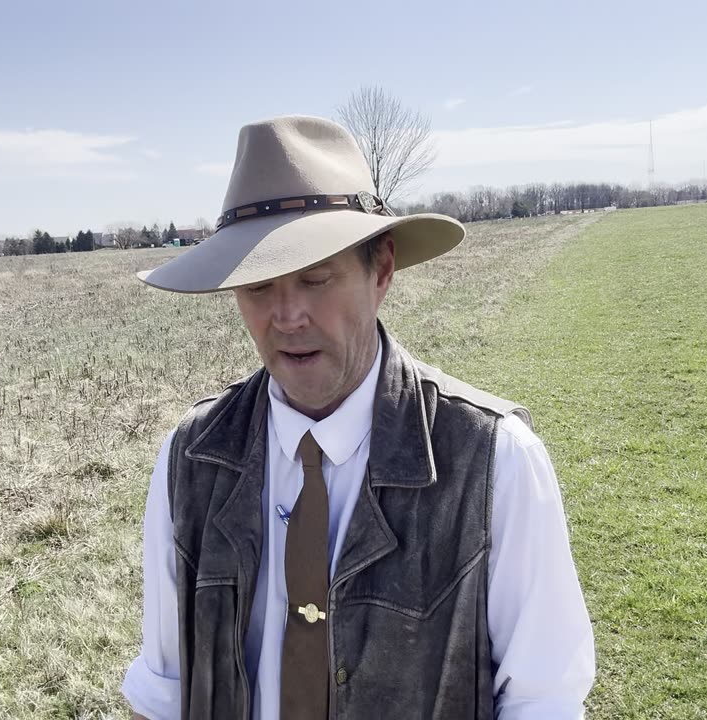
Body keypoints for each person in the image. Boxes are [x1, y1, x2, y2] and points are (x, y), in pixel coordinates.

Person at [122, 115, 594, 719]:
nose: (287, 316)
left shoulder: (493, 462)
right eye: (258, 288)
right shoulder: (191, 458)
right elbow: (164, 688)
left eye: (316, 279)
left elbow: (541, 700)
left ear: (383, 270)